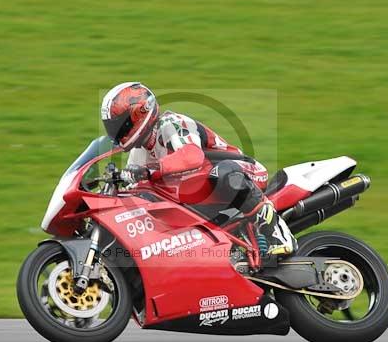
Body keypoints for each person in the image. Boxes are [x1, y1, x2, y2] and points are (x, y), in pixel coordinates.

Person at [100, 81, 296, 261]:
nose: (117, 133)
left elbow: (191, 156)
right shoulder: (139, 152)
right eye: (112, 128)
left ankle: (278, 234)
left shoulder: (170, 124)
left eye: (120, 125)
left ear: (140, 112)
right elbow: (137, 186)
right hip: (200, 194)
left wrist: (150, 171)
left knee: (223, 174)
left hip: (241, 170)